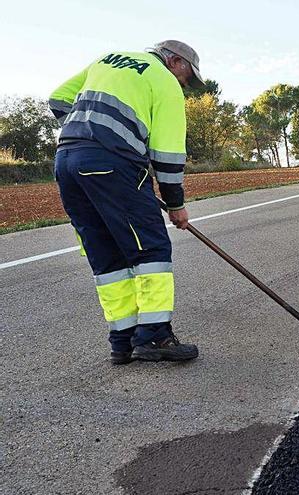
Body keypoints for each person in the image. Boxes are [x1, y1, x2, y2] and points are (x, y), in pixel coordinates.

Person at [48, 40, 204, 364]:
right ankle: (155, 337)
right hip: (112, 164)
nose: (185, 85)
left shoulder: (108, 59)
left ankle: (123, 341)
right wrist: (176, 206)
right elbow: (169, 155)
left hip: (66, 161)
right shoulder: (163, 81)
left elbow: (58, 98)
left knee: (107, 255)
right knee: (152, 250)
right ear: (174, 61)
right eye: (186, 76)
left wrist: (88, 131)